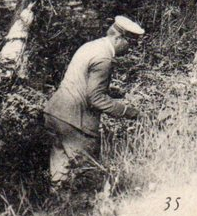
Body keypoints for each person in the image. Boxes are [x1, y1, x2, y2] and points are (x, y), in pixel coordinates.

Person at [43, 16, 144, 188]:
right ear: (118, 38)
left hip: (55, 113)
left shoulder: (91, 46)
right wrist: (129, 112)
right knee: (87, 174)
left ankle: (60, 206)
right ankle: (88, 210)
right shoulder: (104, 58)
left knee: (60, 175)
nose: (130, 50)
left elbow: (81, 81)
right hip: (75, 121)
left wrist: (110, 92)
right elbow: (95, 99)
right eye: (130, 44)